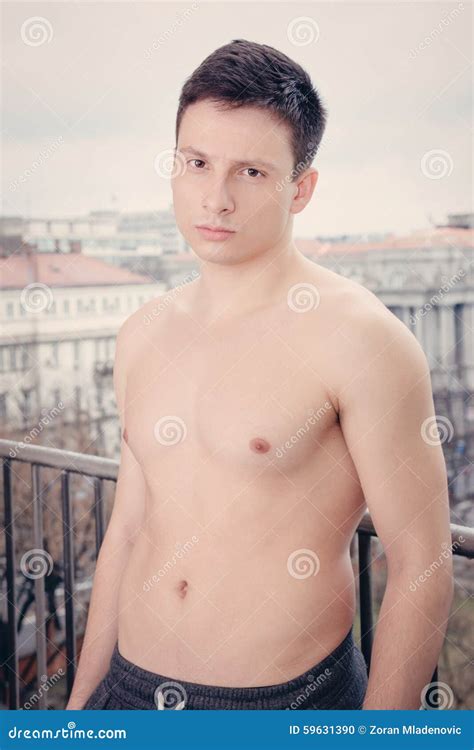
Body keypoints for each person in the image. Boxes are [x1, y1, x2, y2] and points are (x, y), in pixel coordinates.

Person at [67, 39, 453, 711]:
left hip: (281, 703)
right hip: (129, 691)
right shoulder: (142, 333)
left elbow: (423, 560)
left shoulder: (361, 338)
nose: (214, 198)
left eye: (250, 172)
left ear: (300, 188)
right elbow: (129, 529)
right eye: (197, 163)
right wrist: (78, 708)